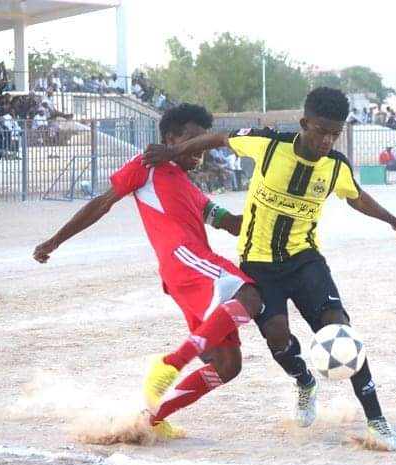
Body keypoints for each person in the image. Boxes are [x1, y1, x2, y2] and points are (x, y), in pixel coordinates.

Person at [141, 87, 396, 450]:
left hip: (305, 260)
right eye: (321, 131)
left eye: (335, 133)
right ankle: (305, 382)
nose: (327, 140)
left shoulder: (335, 166)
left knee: (339, 330)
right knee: (277, 335)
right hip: (259, 263)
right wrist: (173, 152)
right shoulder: (267, 145)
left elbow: (356, 196)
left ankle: (377, 421)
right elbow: (220, 137)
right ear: (304, 123)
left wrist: (394, 220)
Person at [33, 103, 263, 439]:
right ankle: (172, 362)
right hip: (186, 259)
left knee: (228, 365)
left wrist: (268, 203)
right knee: (251, 297)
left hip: (187, 272)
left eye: (203, 142)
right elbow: (102, 203)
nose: (200, 148)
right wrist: (56, 240)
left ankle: (147, 420)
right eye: (193, 139)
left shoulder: (191, 189)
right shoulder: (148, 165)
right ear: (171, 139)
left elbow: (232, 224)